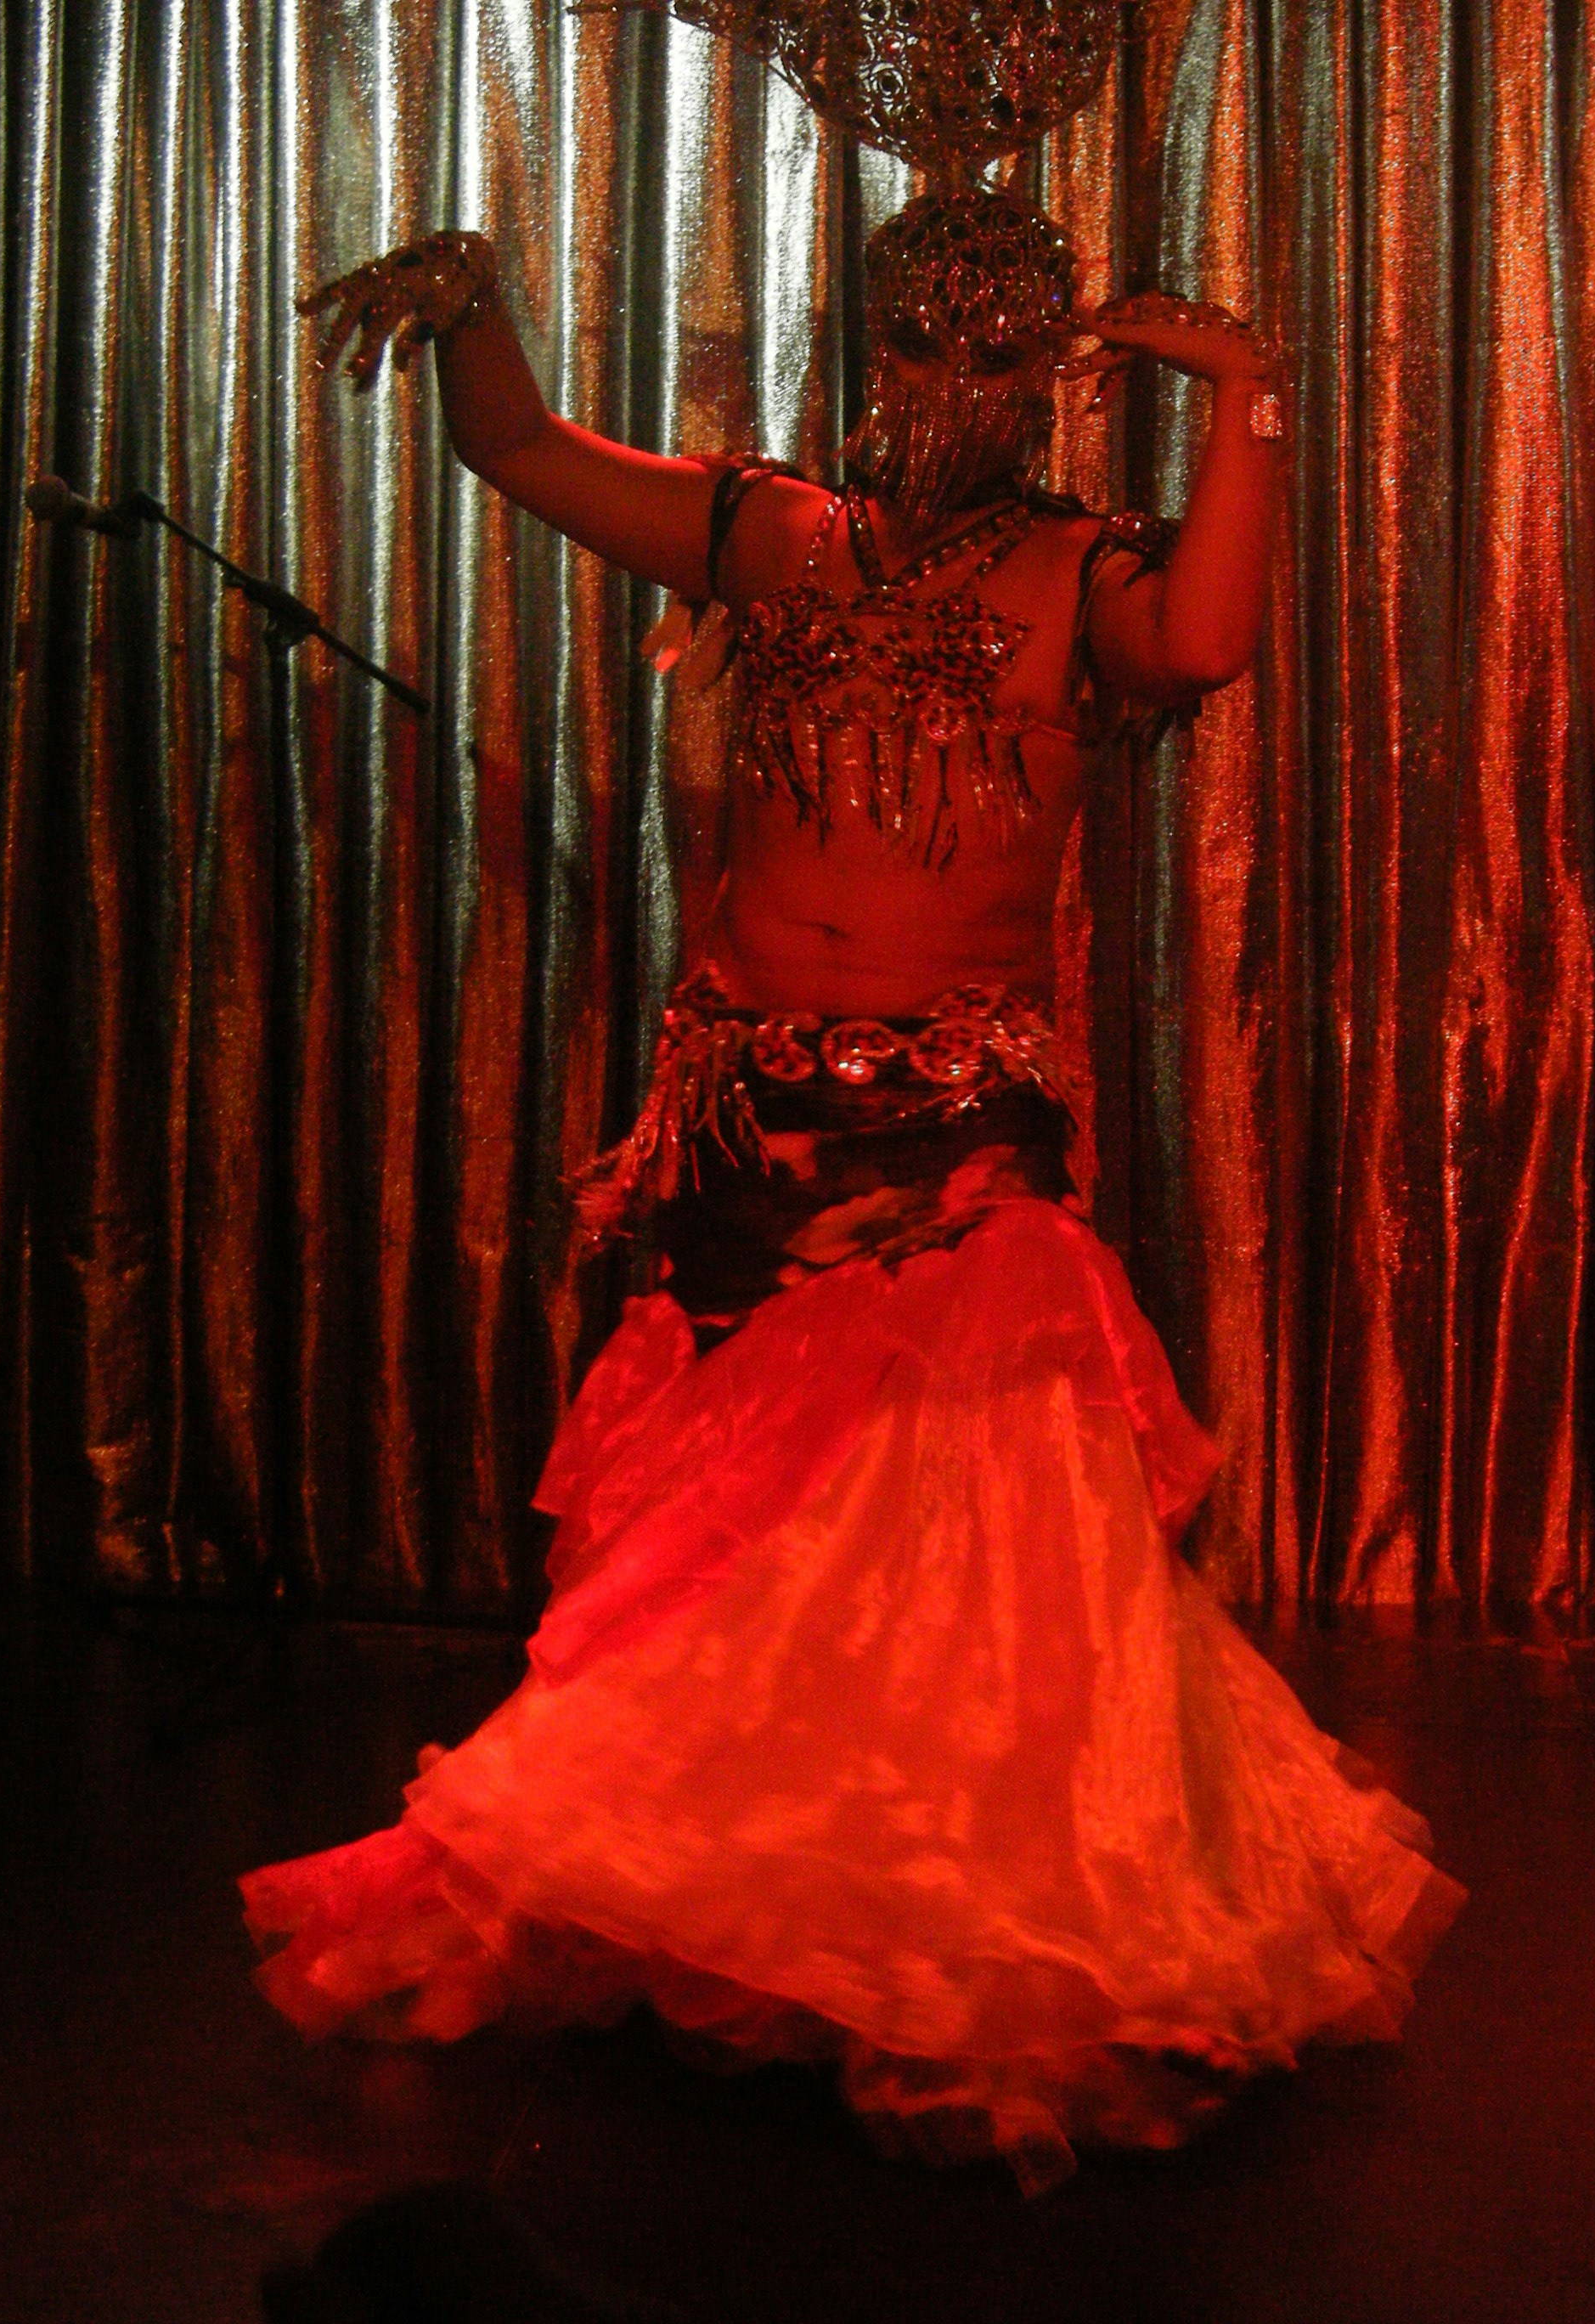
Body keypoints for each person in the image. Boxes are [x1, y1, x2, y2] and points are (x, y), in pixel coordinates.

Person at [240, 161, 1459, 2195]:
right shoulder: (764, 526)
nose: (958, 378)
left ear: (1053, 364)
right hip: (743, 1119)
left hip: (960, 1144)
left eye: (1001, 345)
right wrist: (473, 307)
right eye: (923, 335)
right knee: (742, 1570)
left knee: (982, 1573)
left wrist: (1248, 387)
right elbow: (525, 449)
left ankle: (963, 1916)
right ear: (868, 337)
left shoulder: (1086, 575)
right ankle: (754, 1894)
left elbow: (1219, 644)